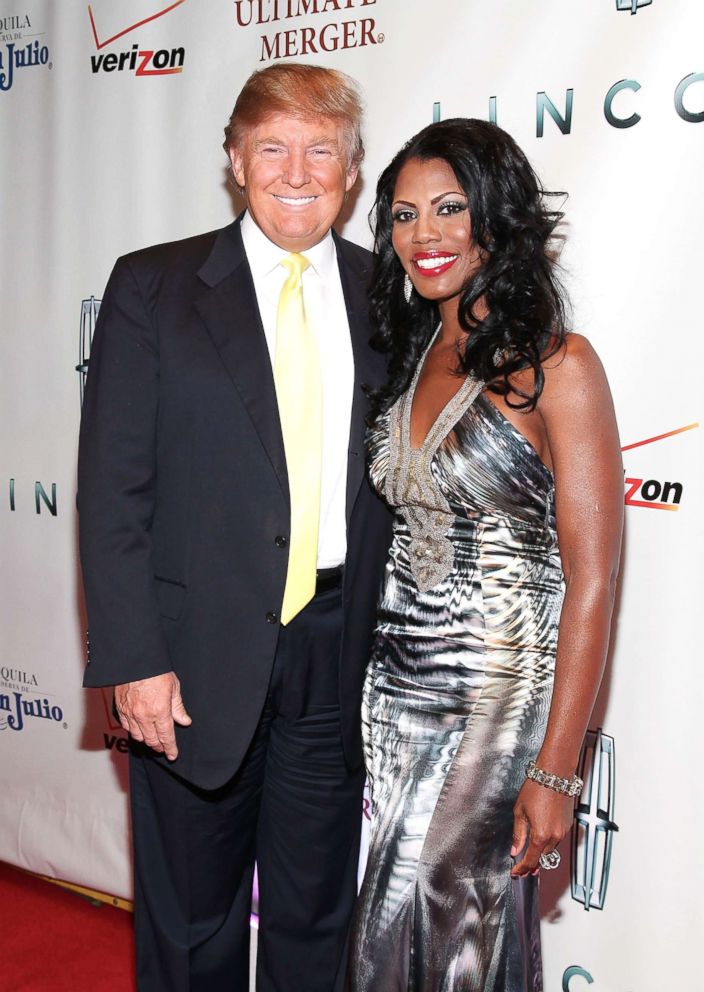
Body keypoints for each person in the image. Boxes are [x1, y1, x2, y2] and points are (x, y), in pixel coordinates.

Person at [78, 63, 391, 992]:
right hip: (189, 655)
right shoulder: (152, 287)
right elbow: (113, 490)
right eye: (272, 147)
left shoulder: (390, 297)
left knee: (315, 912)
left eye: (320, 149)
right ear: (234, 157)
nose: (297, 171)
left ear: (351, 167)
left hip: (337, 654)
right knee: (191, 919)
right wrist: (131, 657)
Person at [347, 119, 623, 991]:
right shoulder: (411, 352)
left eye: (448, 208)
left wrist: (557, 769)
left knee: (436, 909)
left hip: (496, 697)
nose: (423, 235)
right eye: (402, 215)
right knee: (426, 931)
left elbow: (593, 582)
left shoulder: (559, 365)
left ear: (494, 220)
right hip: (394, 689)